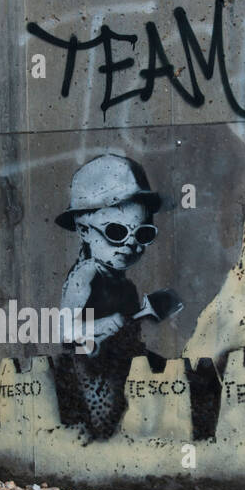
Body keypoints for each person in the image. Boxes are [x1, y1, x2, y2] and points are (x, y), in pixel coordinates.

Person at [55, 154, 171, 439]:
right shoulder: (86, 276)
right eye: (116, 232)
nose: (130, 246)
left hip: (123, 364)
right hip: (93, 374)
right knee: (109, 426)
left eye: (141, 234)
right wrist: (106, 325)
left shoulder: (124, 285)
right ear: (83, 229)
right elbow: (65, 332)